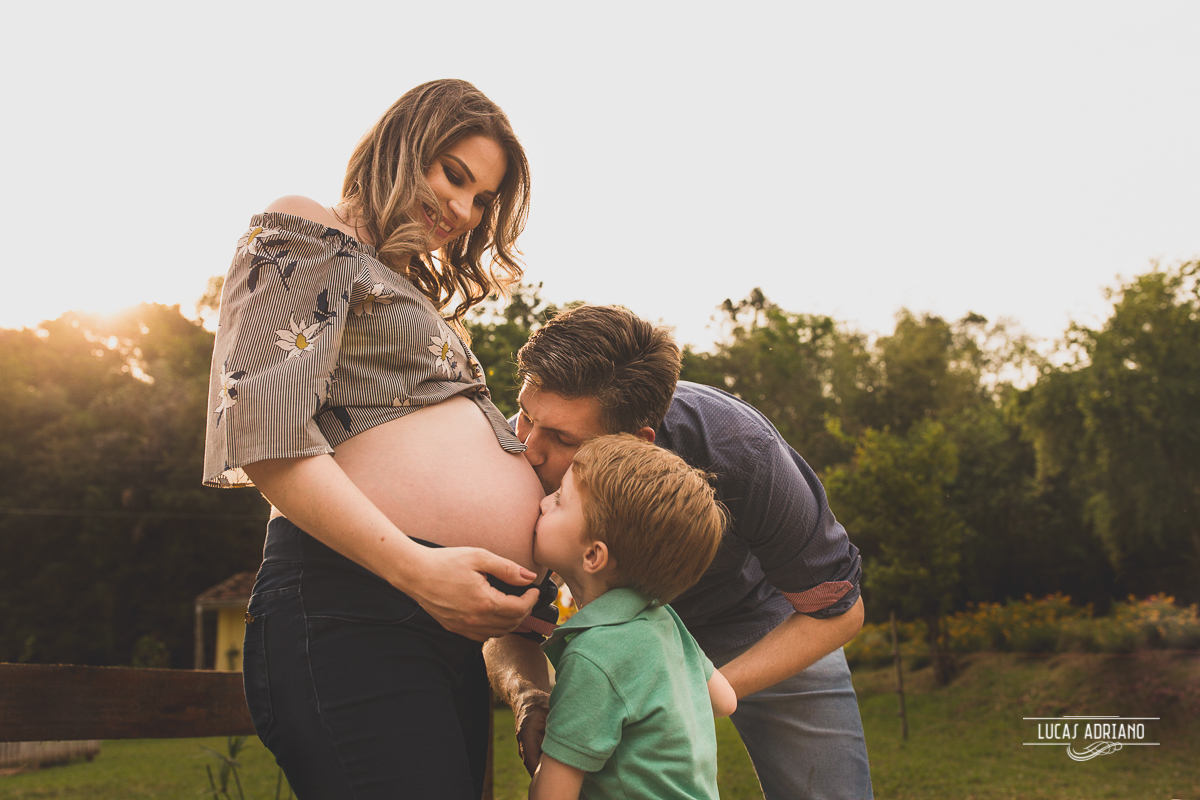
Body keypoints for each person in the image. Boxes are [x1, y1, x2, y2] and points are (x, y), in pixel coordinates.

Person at [203, 79, 550, 799]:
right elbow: (266, 431)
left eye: (483, 199)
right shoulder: (309, 226)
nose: (464, 210)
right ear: (400, 145)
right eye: (454, 175)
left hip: (440, 617)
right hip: (353, 602)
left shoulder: (407, 288)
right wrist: (416, 572)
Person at [486, 304, 874, 800]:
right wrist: (530, 699)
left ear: (637, 441)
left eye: (561, 438)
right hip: (619, 636)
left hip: (765, 623)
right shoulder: (516, 457)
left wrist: (677, 690)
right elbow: (513, 626)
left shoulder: (738, 447)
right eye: (524, 415)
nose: (528, 449)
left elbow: (839, 611)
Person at [527, 433, 737, 800]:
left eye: (559, 499)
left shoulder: (594, 656)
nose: (543, 503)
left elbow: (551, 795)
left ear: (594, 556)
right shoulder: (663, 621)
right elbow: (724, 700)